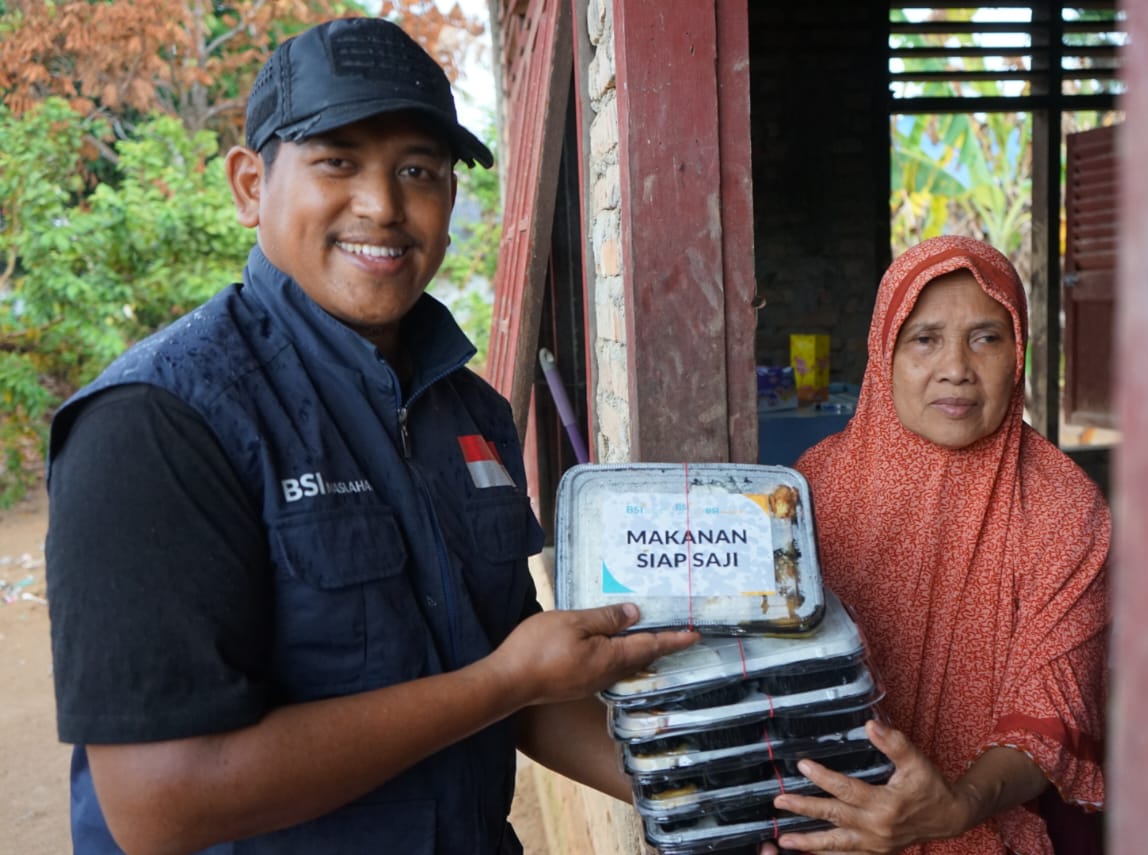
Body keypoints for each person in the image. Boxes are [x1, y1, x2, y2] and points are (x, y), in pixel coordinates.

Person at [43, 17, 697, 855]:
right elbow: (162, 799)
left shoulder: (471, 412)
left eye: (418, 169)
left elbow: (532, 684)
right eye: (337, 161)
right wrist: (498, 682)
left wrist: (723, 798)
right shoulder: (157, 422)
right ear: (250, 185)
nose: (384, 206)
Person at [764, 235, 1109, 855]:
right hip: (829, 833)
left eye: (986, 337)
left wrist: (958, 806)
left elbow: (1055, 704)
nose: (956, 367)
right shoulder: (814, 489)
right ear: (883, 353)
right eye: (924, 338)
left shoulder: (1064, 506)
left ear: (1019, 354)